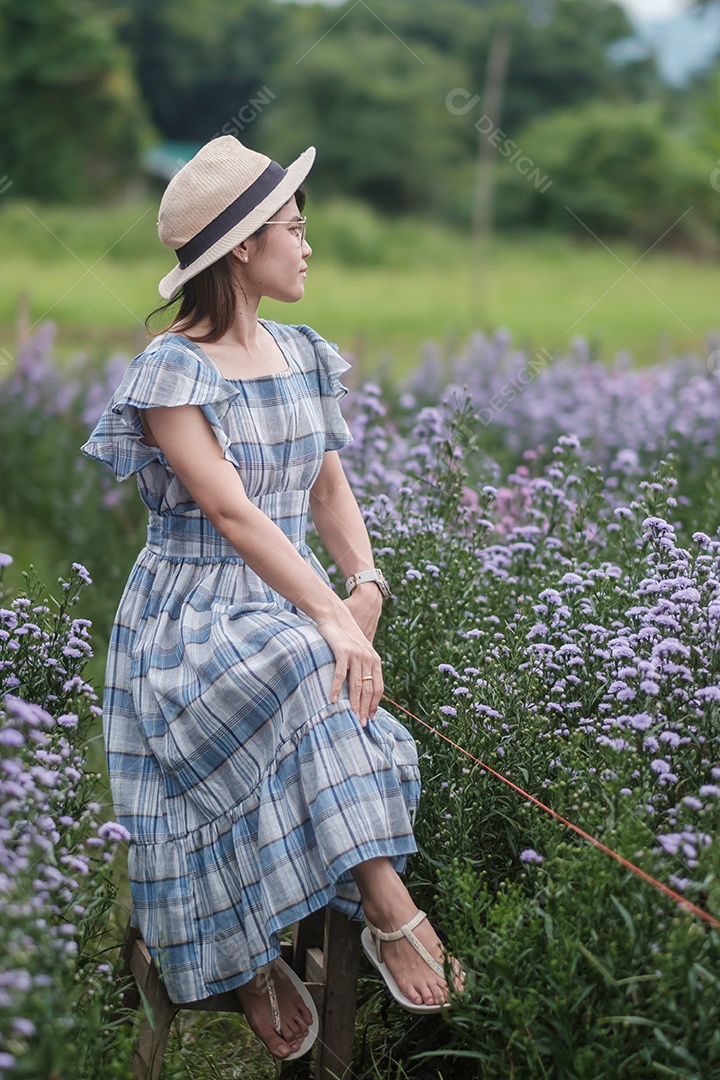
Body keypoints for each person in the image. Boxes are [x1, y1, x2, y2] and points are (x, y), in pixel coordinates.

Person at [82, 136, 461, 1062]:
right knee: (311, 659)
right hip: (191, 618)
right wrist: (329, 616)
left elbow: (326, 491)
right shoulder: (174, 368)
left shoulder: (300, 354)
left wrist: (364, 584)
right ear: (243, 247)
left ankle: (288, 932)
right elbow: (232, 512)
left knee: (318, 665)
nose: (306, 245)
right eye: (293, 228)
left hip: (279, 604)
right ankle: (377, 909)